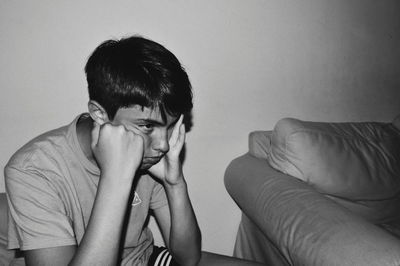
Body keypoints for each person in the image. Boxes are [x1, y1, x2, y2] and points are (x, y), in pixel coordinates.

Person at [5, 35, 264, 266]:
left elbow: (188, 259)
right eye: (147, 126)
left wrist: (175, 184)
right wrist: (116, 176)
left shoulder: (150, 156)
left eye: (170, 126)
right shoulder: (33, 169)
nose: (163, 144)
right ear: (99, 114)